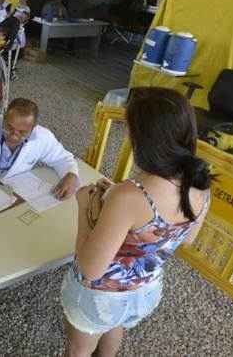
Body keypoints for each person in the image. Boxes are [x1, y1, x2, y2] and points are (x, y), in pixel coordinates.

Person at [61, 87, 211, 357]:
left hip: (101, 297)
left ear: (142, 138)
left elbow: (91, 269)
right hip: (145, 292)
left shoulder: (129, 195)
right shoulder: (200, 183)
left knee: (78, 348)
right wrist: (119, 201)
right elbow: (186, 237)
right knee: (114, 325)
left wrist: (84, 207)